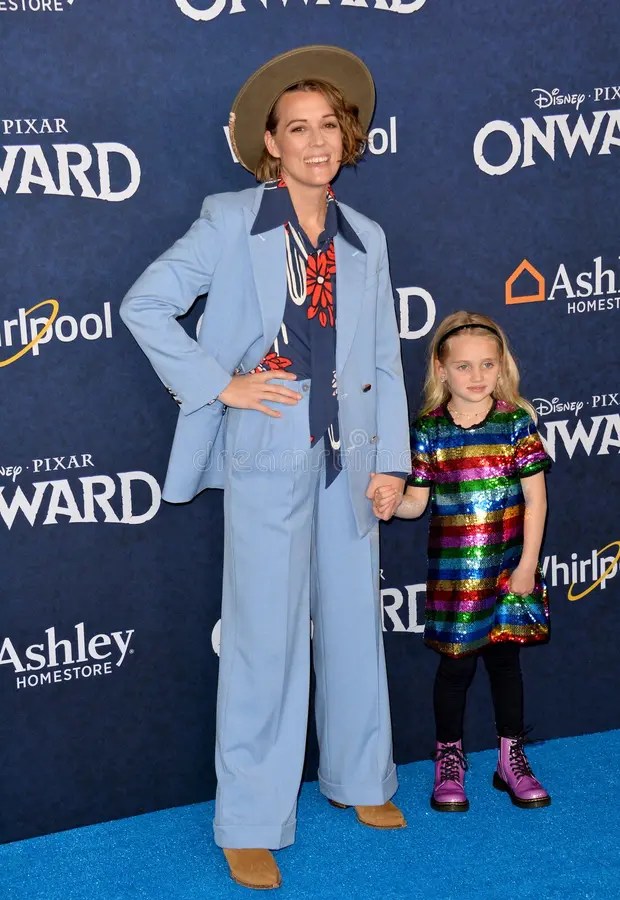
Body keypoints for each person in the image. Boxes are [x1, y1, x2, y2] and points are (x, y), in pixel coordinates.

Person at [120, 45, 410, 890]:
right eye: (297, 129)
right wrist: (223, 385)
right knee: (263, 642)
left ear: (347, 138)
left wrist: (391, 461)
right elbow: (145, 303)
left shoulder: (368, 237)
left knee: (357, 626)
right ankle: (250, 816)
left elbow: (386, 360)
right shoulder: (229, 219)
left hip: (350, 462)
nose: (315, 142)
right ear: (269, 144)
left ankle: (361, 778)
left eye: (329, 126)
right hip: (265, 453)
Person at [374, 311, 551, 814]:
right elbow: (416, 503)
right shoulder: (428, 431)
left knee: (505, 665)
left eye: (487, 365)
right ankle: (448, 760)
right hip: (454, 577)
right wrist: (390, 501)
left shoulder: (516, 423)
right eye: (464, 366)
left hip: (509, 570)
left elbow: (535, 501)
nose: (476, 377)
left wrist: (527, 566)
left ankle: (509, 757)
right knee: (454, 671)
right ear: (441, 370)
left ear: (502, 368)